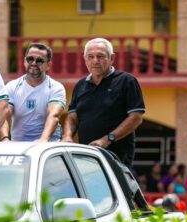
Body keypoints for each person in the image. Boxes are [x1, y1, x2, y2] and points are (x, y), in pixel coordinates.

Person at [62, 38, 145, 167]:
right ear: (85, 60)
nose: (95, 61)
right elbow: (73, 116)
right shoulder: (80, 85)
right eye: (90, 57)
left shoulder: (126, 81)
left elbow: (136, 118)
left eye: (100, 56)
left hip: (116, 159)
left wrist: (107, 140)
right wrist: (67, 137)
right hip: (86, 157)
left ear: (112, 58)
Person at [0, 43, 66, 142]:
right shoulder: (12, 86)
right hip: (18, 146)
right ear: (24, 61)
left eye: (39, 60)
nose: (34, 63)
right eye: (30, 59)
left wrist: (43, 140)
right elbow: (4, 114)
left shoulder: (56, 87)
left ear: (48, 65)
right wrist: (4, 139)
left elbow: (54, 115)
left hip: (48, 145)